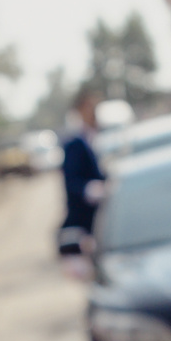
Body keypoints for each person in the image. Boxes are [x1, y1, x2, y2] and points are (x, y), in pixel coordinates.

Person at [57, 88, 105, 256]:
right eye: (89, 108)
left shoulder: (96, 136)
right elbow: (71, 182)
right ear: (80, 110)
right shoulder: (75, 142)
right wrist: (90, 188)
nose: (93, 112)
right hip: (85, 224)